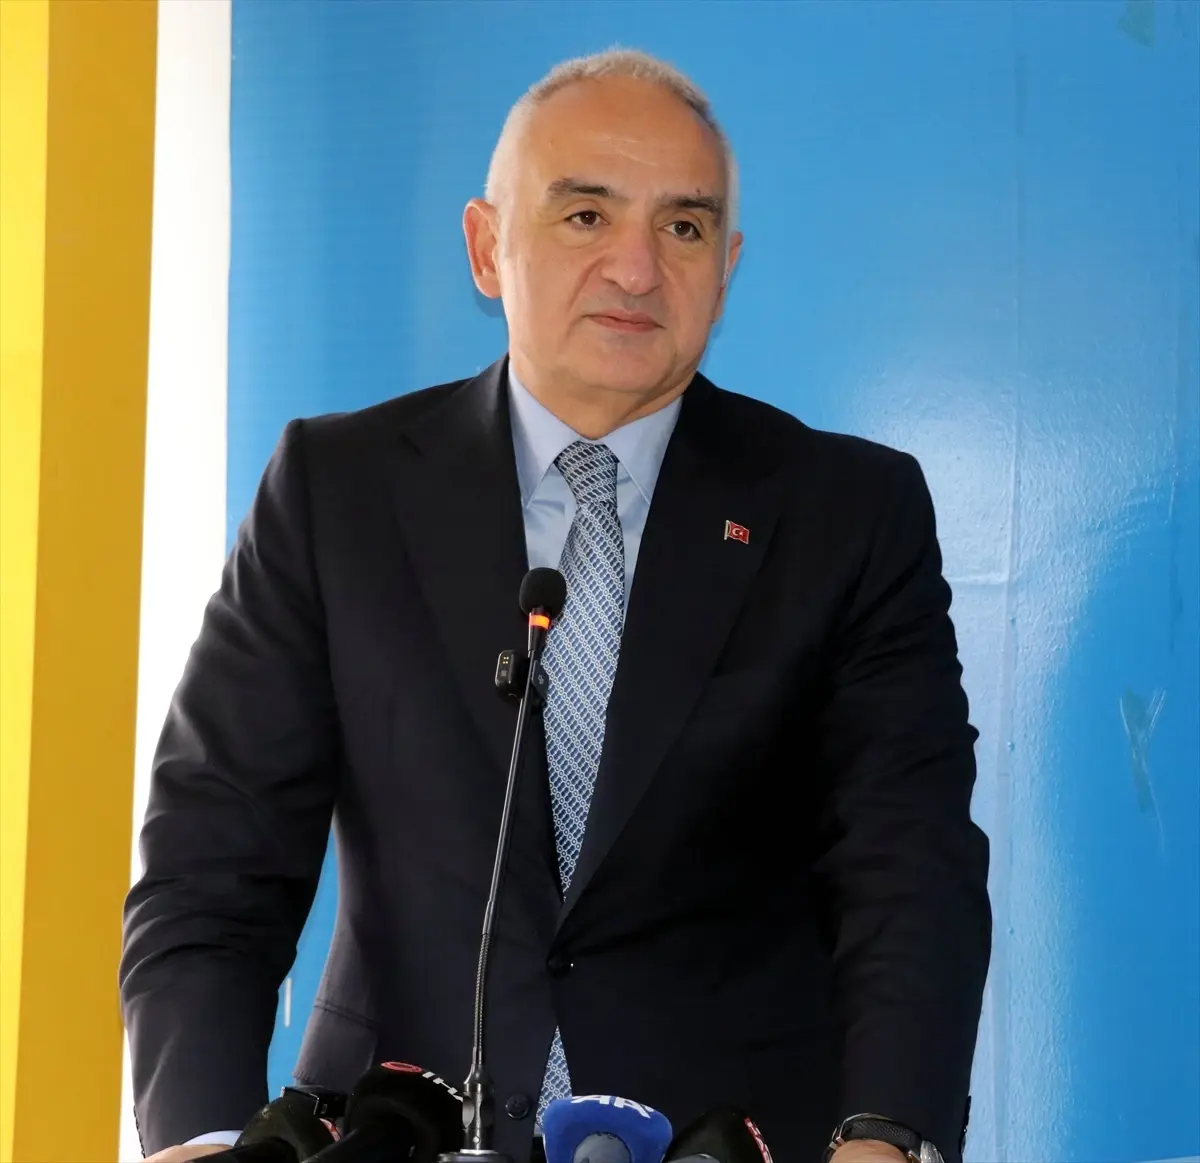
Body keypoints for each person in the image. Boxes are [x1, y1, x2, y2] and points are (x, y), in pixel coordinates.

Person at [122, 49, 991, 1163]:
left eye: (683, 228)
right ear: (489, 247)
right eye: (586, 215)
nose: (636, 268)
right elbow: (215, 856)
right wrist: (202, 1135)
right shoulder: (336, 491)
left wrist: (887, 1135)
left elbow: (909, 866)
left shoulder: (846, 513)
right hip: (394, 1129)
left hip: (731, 1135)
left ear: (727, 267)